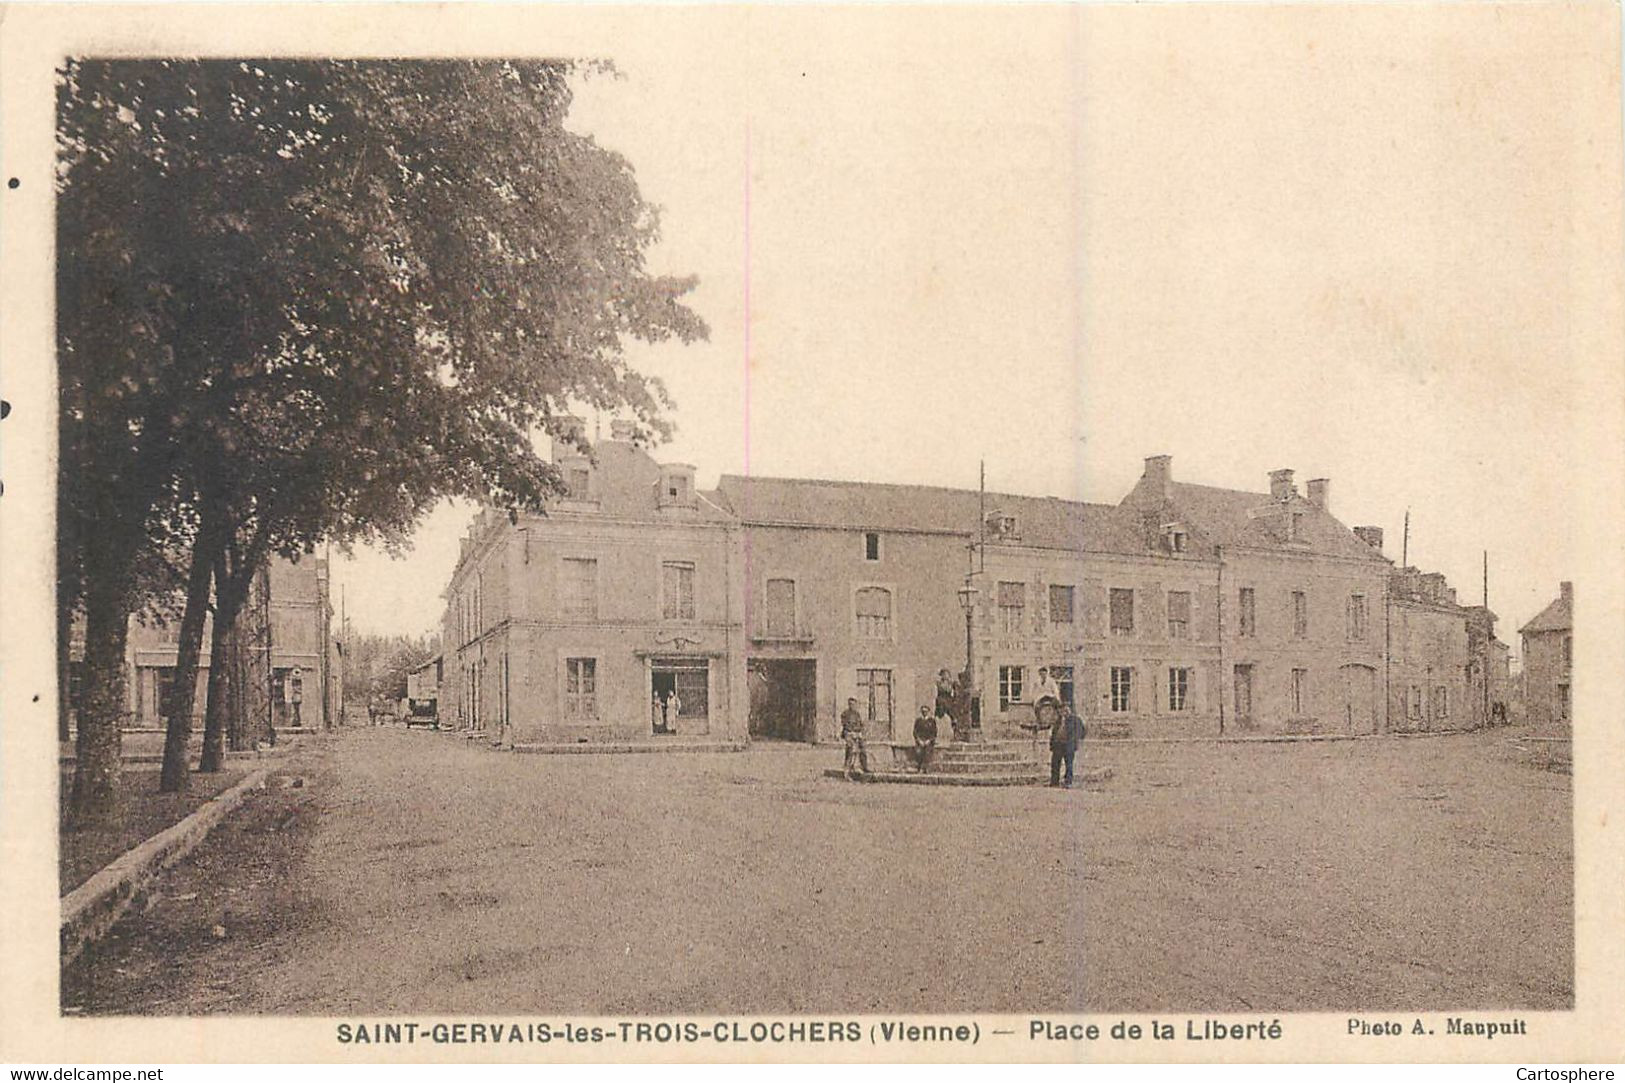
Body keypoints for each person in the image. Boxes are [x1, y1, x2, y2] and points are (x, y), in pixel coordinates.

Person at [1049, 705, 1085, 788]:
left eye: (1066, 710)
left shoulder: (1075, 720)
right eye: (1062, 711)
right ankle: (1054, 782)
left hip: (1068, 745)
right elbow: (1054, 732)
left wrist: (1075, 741)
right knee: (1055, 764)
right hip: (1058, 745)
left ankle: (1068, 782)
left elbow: (1082, 731)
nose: (1064, 712)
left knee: (1068, 764)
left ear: (1069, 711)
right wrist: (1052, 744)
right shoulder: (1058, 720)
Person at [840, 697, 869, 780]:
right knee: (850, 748)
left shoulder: (857, 714)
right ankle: (847, 771)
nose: (852, 706)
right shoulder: (845, 714)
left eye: (854, 704)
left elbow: (861, 725)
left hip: (857, 734)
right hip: (848, 734)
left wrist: (860, 733)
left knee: (863, 747)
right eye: (851, 704)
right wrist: (852, 733)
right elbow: (845, 725)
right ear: (848, 705)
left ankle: (864, 767)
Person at [912, 705, 938, 773]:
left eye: (926, 711)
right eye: (923, 711)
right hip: (920, 741)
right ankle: (919, 767)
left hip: (929, 741)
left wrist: (929, 741)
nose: (924, 713)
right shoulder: (918, 721)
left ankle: (926, 768)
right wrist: (919, 740)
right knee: (919, 752)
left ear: (928, 712)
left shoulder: (931, 721)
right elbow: (915, 732)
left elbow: (934, 733)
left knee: (927, 751)